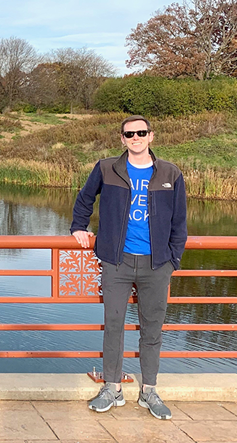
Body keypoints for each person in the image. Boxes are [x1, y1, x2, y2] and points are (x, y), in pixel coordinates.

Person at [71, 115, 187, 420]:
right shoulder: (107, 168)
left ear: (151, 136)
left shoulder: (170, 173)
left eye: (141, 132)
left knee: (152, 330)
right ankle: (112, 388)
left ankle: (149, 391)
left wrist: (171, 260)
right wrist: (78, 227)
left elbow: (180, 221)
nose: (135, 137)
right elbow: (84, 199)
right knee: (114, 325)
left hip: (156, 264)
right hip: (116, 261)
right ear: (122, 139)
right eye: (129, 134)